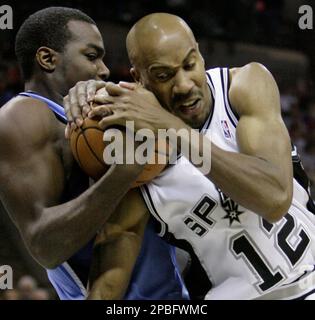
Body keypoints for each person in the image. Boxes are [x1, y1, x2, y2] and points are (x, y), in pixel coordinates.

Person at [65, 13, 315, 299]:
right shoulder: (139, 157)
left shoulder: (244, 86)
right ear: (139, 78)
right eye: (163, 75)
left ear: (199, 54)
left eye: (189, 64)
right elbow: (113, 253)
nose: (183, 85)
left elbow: (273, 198)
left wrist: (174, 129)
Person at [0, 8, 188, 300]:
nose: (103, 69)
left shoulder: (104, 110)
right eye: (91, 56)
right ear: (48, 59)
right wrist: (124, 171)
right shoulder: (24, 117)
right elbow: (44, 245)